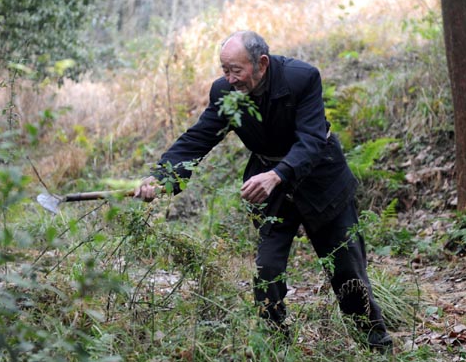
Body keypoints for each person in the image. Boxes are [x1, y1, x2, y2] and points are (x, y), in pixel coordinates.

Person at [134, 30, 393, 353]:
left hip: (320, 179)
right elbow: (200, 137)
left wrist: (278, 174)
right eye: (224, 69)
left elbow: (312, 140)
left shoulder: (302, 78)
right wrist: (163, 176)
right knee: (267, 270)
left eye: (236, 70)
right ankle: (275, 346)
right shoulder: (225, 92)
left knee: (347, 269)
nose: (230, 78)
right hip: (269, 189)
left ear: (262, 63)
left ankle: (376, 345)